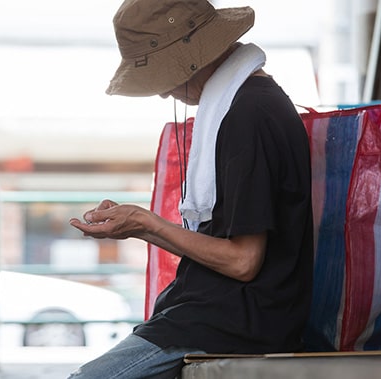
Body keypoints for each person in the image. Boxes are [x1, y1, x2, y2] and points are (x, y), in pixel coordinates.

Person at [68, 0, 314, 378]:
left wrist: (146, 224)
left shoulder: (248, 115)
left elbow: (243, 262)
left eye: (166, 78)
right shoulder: (245, 101)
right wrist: (139, 225)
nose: (165, 93)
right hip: (208, 311)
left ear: (194, 58)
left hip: (235, 321)